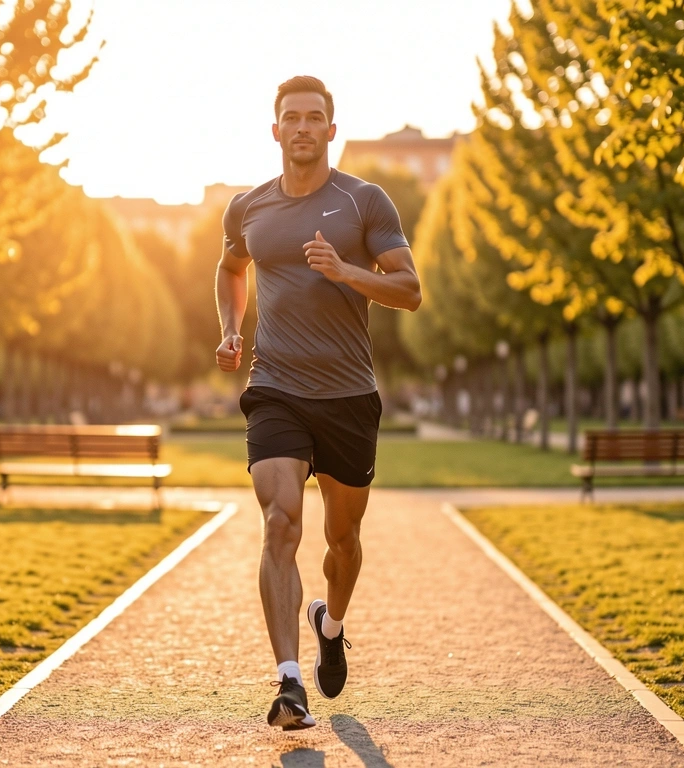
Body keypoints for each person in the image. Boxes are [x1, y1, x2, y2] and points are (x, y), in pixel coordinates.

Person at [215, 75, 421, 731]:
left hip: (349, 396)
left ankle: (331, 625)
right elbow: (230, 268)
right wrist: (230, 328)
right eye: (291, 118)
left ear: (332, 130)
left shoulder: (364, 201)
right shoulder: (248, 208)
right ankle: (288, 683)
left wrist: (345, 273)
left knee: (344, 540)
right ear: (274, 129)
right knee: (280, 521)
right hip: (275, 387)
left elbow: (410, 290)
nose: (302, 128)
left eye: (314, 118)